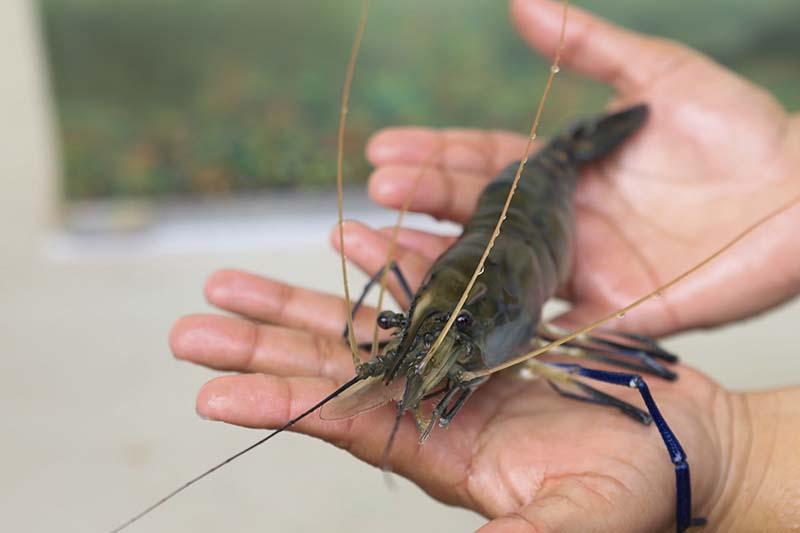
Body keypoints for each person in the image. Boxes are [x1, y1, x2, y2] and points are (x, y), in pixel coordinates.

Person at [170, 0, 800, 531]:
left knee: (636, 385)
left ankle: (566, 156)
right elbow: (404, 286)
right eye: (423, 324)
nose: (431, 344)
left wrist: (724, 456)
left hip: (537, 198)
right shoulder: (429, 296)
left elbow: (642, 383)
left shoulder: (532, 320)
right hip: (506, 210)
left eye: (453, 333)